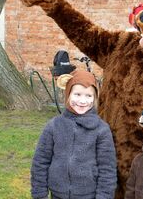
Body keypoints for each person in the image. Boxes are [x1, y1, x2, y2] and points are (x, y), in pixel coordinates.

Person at [31, 70, 117, 199]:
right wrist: (40, 194)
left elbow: (107, 169)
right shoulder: (53, 126)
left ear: (95, 98)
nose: (82, 101)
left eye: (89, 96)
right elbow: (40, 162)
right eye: (77, 94)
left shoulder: (102, 130)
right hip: (57, 194)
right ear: (68, 94)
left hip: (89, 195)